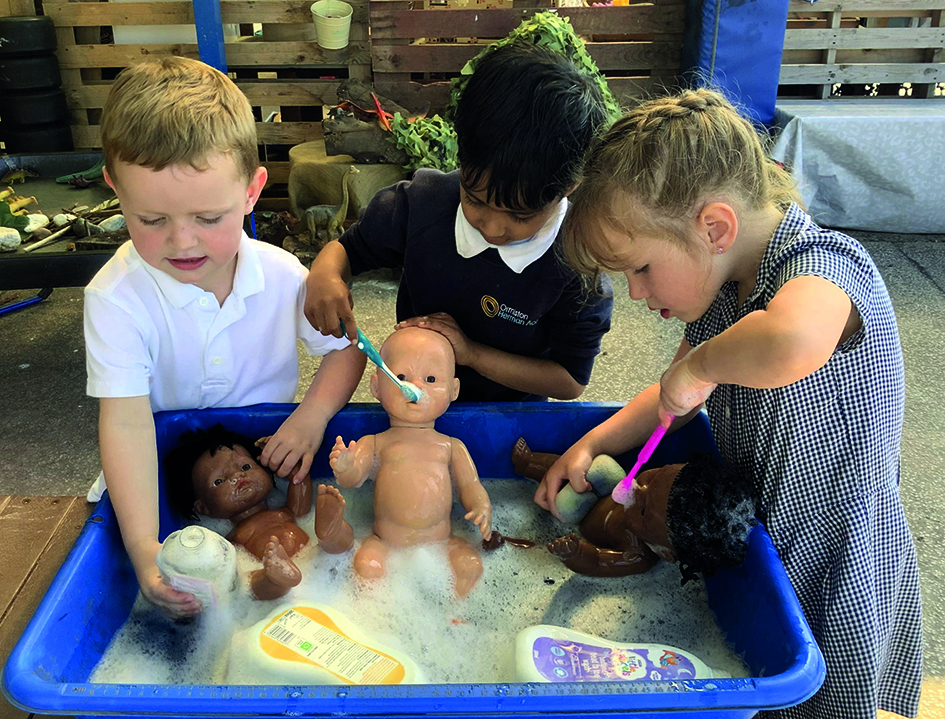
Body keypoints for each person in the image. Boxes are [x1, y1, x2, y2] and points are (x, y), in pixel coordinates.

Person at [533, 88, 922, 719]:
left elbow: (791, 340)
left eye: (641, 269)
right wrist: (594, 443)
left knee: (816, 699)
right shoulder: (722, 296)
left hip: (833, 563)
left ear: (714, 228)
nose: (634, 294)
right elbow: (673, 398)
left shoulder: (824, 266)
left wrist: (702, 363)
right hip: (763, 540)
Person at [84, 57, 366, 618]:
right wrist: (144, 550)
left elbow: (348, 353)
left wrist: (310, 419)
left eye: (209, 217)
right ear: (115, 187)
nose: (181, 241)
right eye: (151, 220)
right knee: (171, 597)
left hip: (269, 462)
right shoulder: (114, 297)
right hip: (172, 470)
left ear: (252, 191)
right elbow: (125, 420)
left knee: (324, 556)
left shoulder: (284, 275)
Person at [304, 42, 613, 402]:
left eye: (520, 215)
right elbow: (350, 250)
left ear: (568, 188)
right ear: (462, 157)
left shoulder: (580, 266)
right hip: (414, 401)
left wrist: (471, 354)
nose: (493, 228)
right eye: (475, 199)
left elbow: (570, 380)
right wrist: (324, 273)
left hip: (512, 415)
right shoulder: (422, 204)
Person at [329, 327, 492, 598]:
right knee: (366, 566)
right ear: (376, 386)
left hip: (442, 543)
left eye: (430, 378)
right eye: (401, 377)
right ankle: (375, 614)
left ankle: (456, 613)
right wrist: (345, 466)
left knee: (471, 565)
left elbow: (470, 485)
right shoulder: (376, 443)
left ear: (453, 389)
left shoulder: (451, 447)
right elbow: (352, 480)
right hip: (384, 542)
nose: (415, 387)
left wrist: (481, 508)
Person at [511, 441, 756, 581]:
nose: (636, 489)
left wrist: (575, 553)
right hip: (601, 489)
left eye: (643, 510)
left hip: (581, 517)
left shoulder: (639, 556)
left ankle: (533, 469)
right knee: (588, 470)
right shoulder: (639, 491)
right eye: (654, 475)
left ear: (666, 552)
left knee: (566, 499)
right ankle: (531, 463)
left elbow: (598, 562)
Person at [165, 425, 354, 601]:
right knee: (243, 581)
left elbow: (300, 492)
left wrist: (288, 464)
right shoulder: (227, 542)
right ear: (203, 508)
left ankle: (331, 531)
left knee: (338, 544)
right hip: (269, 567)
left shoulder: (284, 512)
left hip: (315, 556)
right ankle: (274, 579)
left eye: (245, 467)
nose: (237, 476)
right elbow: (221, 571)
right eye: (219, 481)